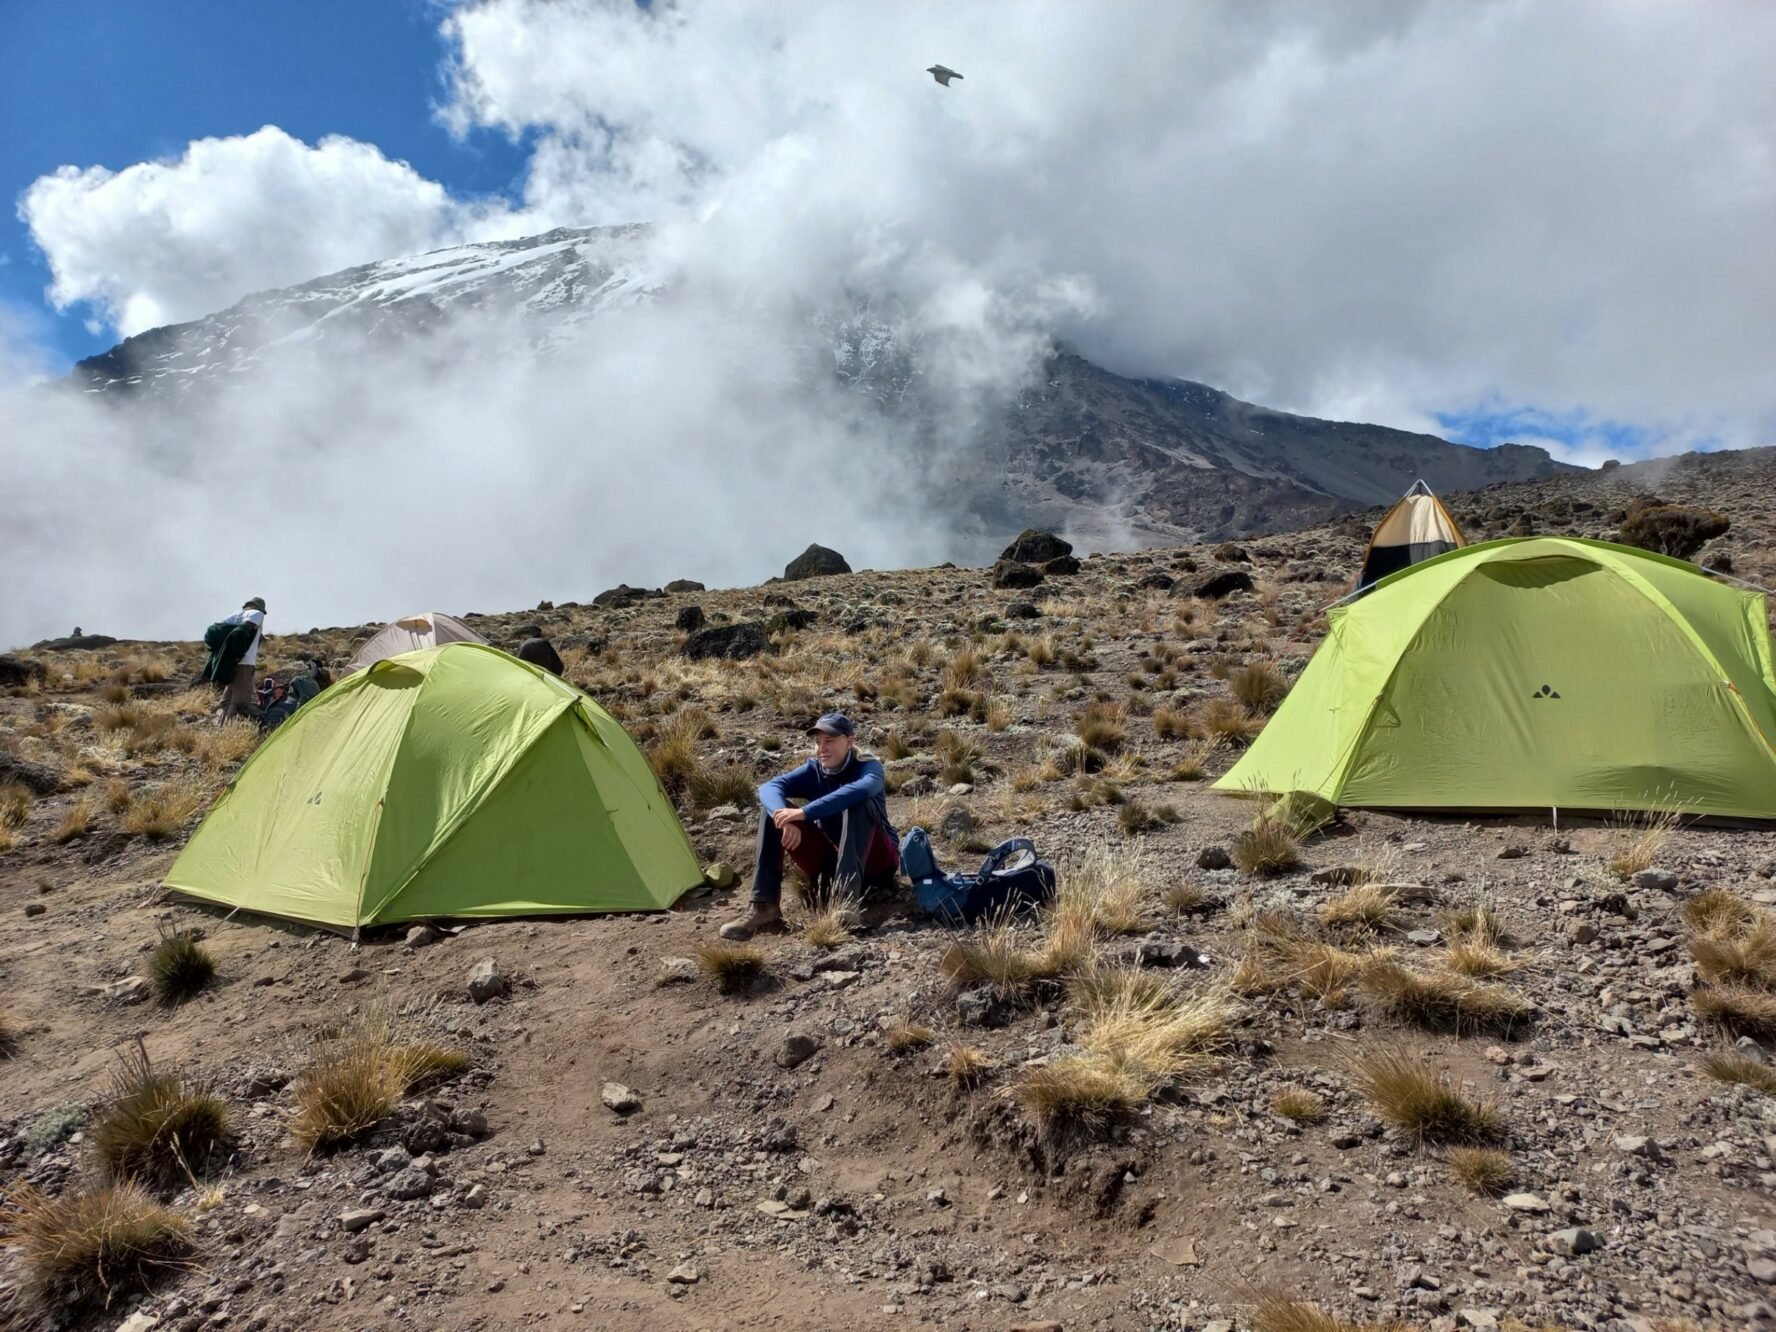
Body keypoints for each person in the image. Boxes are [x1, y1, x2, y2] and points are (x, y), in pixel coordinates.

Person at [720, 712, 901, 940]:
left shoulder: (868, 767)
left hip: (876, 864)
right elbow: (769, 788)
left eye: (830, 741)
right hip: (832, 866)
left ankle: (845, 902)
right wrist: (785, 818)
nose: (822, 748)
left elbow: (862, 790)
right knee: (773, 811)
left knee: (858, 803)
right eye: (817, 742)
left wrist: (804, 813)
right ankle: (764, 908)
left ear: (850, 742)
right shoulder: (814, 769)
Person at [206, 597, 266, 721]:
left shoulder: (233, 616)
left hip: (229, 662)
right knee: (240, 702)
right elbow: (243, 631)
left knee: (227, 700)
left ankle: (221, 727)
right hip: (244, 662)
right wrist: (239, 653)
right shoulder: (257, 614)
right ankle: (229, 730)